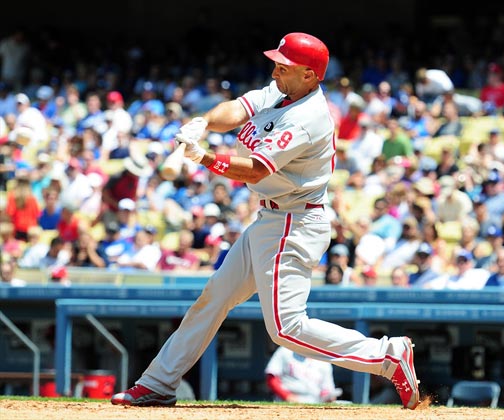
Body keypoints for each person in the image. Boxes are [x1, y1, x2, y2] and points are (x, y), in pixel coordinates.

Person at [111, 32, 419, 410]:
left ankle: (387, 356)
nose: (275, 69)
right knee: (214, 298)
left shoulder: (308, 117)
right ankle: (157, 383)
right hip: (271, 218)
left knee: (287, 329)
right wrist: (202, 123)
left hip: (294, 222)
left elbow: (256, 171)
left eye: (284, 65)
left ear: (310, 75)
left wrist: (206, 158)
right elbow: (238, 110)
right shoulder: (281, 91)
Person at [265, 345, 341, 403]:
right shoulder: (285, 350)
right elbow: (271, 377)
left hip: (313, 404)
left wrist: (329, 397)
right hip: (286, 401)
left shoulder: (323, 360)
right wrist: (287, 396)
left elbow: (326, 389)